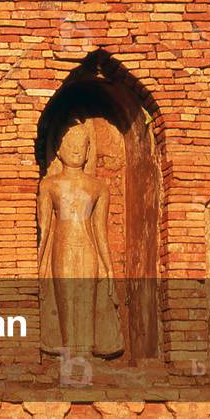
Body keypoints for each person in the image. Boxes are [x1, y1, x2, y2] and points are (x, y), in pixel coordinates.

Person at [38, 120, 123, 357]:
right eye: (69, 143)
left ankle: (85, 358)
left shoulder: (98, 187)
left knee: (86, 300)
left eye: (81, 144)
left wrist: (108, 268)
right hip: (62, 247)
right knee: (65, 300)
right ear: (58, 149)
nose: (75, 149)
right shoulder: (49, 185)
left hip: (88, 248)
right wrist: (39, 266)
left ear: (88, 151)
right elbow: (44, 228)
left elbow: (100, 230)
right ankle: (68, 356)